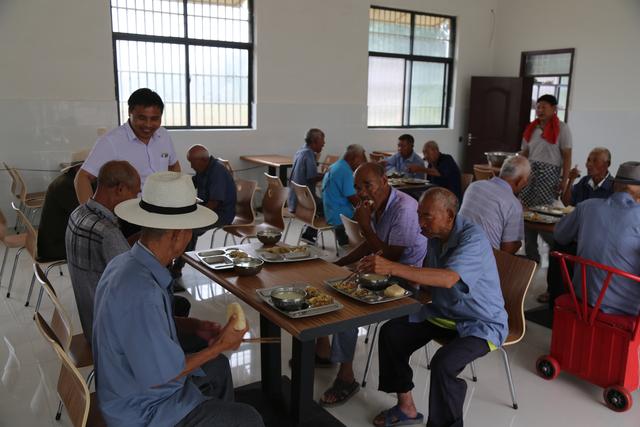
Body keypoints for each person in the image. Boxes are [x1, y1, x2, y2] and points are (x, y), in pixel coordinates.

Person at [93, 171, 264, 427]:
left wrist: (192, 325)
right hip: (142, 410)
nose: (190, 238)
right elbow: (163, 374)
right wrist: (221, 344)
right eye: (189, 232)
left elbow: (138, 326)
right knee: (249, 418)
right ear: (176, 235)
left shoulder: (125, 263)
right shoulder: (143, 291)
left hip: (126, 387)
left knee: (216, 367)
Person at [360, 187, 508, 427]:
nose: (420, 223)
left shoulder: (473, 238)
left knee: (443, 364)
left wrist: (391, 267)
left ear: (449, 216)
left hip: (481, 322)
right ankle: (406, 408)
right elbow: (424, 279)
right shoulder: (435, 237)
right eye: (419, 214)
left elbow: (449, 278)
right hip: (443, 313)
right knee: (391, 333)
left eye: (427, 216)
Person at [318, 162, 428, 407]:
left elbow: (392, 256)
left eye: (368, 185)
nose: (363, 192)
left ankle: (346, 377)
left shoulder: (404, 208)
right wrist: (340, 262)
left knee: (346, 305)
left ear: (385, 182)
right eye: (358, 187)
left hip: (407, 279)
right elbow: (372, 246)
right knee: (333, 284)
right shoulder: (377, 206)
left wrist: (365, 225)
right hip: (382, 269)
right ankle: (323, 350)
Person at [65, 160, 141, 341]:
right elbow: (136, 282)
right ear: (120, 189)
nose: (136, 199)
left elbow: (115, 254)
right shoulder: (107, 232)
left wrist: (142, 237)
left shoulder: (78, 213)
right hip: (111, 334)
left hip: (91, 321)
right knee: (173, 305)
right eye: (135, 193)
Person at [554, 161, 640, 316]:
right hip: (626, 309)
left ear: (614, 186)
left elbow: (560, 235)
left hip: (582, 296)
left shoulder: (586, 207)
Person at [75, 88, 181, 204]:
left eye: (155, 119)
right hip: (129, 212)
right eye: (142, 118)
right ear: (130, 112)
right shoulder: (111, 141)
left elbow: (174, 166)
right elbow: (82, 178)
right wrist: (93, 215)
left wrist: (174, 193)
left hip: (163, 206)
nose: (148, 125)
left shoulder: (163, 135)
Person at [547, 148, 615, 307]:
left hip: (595, 237)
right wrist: (570, 181)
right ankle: (555, 294)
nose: (588, 164)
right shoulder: (584, 182)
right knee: (557, 248)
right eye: (588, 160)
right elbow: (567, 203)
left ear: (607, 164)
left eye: (594, 160)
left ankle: (572, 293)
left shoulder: (612, 187)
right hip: (576, 232)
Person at [519, 94, 572, 264]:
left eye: (544, 107)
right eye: (538, 106)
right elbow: (525, 153)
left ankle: (556, 254)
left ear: (554, 109)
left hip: (550, 176)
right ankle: (531, 259)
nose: (540, 110)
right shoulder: (531, 128)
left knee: (544, 214)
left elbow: (567, 156)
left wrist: (564, 180)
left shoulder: (562, 128)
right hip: (530, 174)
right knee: (526, 215)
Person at [170, 144, 237, 278]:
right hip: (210, 210)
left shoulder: (217, 172)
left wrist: (197, 217)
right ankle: (171, 261)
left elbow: (214, 202)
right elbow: (192, 182)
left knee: (188, 230)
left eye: (192, 163)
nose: (191, 166)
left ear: (203, 160)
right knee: (180, 223)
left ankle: (177, 268)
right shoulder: (204, 168)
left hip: (221, 214)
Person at [459, 155, 530, 254]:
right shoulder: (513, 204)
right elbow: (506, 252)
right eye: (526, 180)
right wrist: (519, 244)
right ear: (520, 181)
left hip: (457, 249)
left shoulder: (474, 186)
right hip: (483, 261)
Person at [36, 149, 89, 261]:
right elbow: (85, 216)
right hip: (55, 247)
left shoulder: (67, 180)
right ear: (79, 168)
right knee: (99, 247)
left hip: (55, 241)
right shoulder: (66, 186)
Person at [321, 144, 367, 246]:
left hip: (330, 213)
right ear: (355, 158)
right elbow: (354, 200)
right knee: (372, 216)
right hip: (341, 220)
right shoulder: (345, 172)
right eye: (362, 161)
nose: (362, 165)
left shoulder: (336, 165)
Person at [288, 128, 326, 243]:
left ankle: (310, 231)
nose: (324, 144)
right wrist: (328, 174)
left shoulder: (301, 151)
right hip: (304, 202)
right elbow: (312, 178)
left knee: (323, 205)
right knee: (329, 206)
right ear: (314, 141)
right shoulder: (308, 154)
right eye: (322, 142)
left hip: (294, 199)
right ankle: (310, 233)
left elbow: (309, 174)